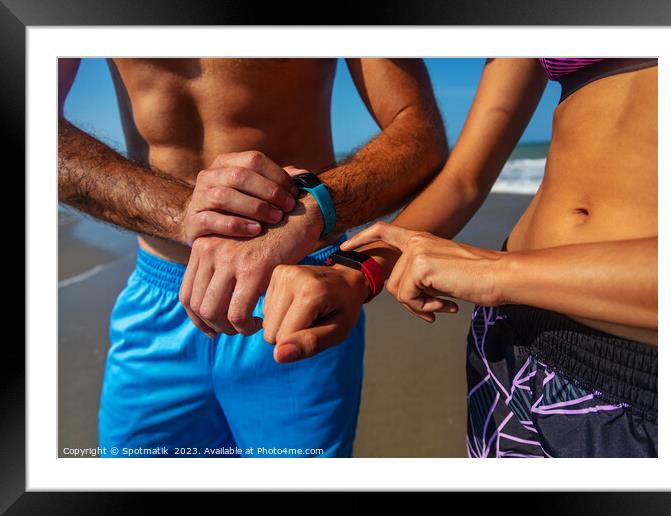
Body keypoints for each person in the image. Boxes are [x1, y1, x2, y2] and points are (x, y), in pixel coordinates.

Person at [263, 58, 658, 458]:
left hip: (641, 379)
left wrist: (494, 273)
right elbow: (463, 180)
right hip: (510, 344)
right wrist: (357, 270)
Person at [58, 58, 447, 457]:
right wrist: (183, 212)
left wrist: (317, 208)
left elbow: (420, 132)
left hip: (297, 292)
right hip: (159, 297)